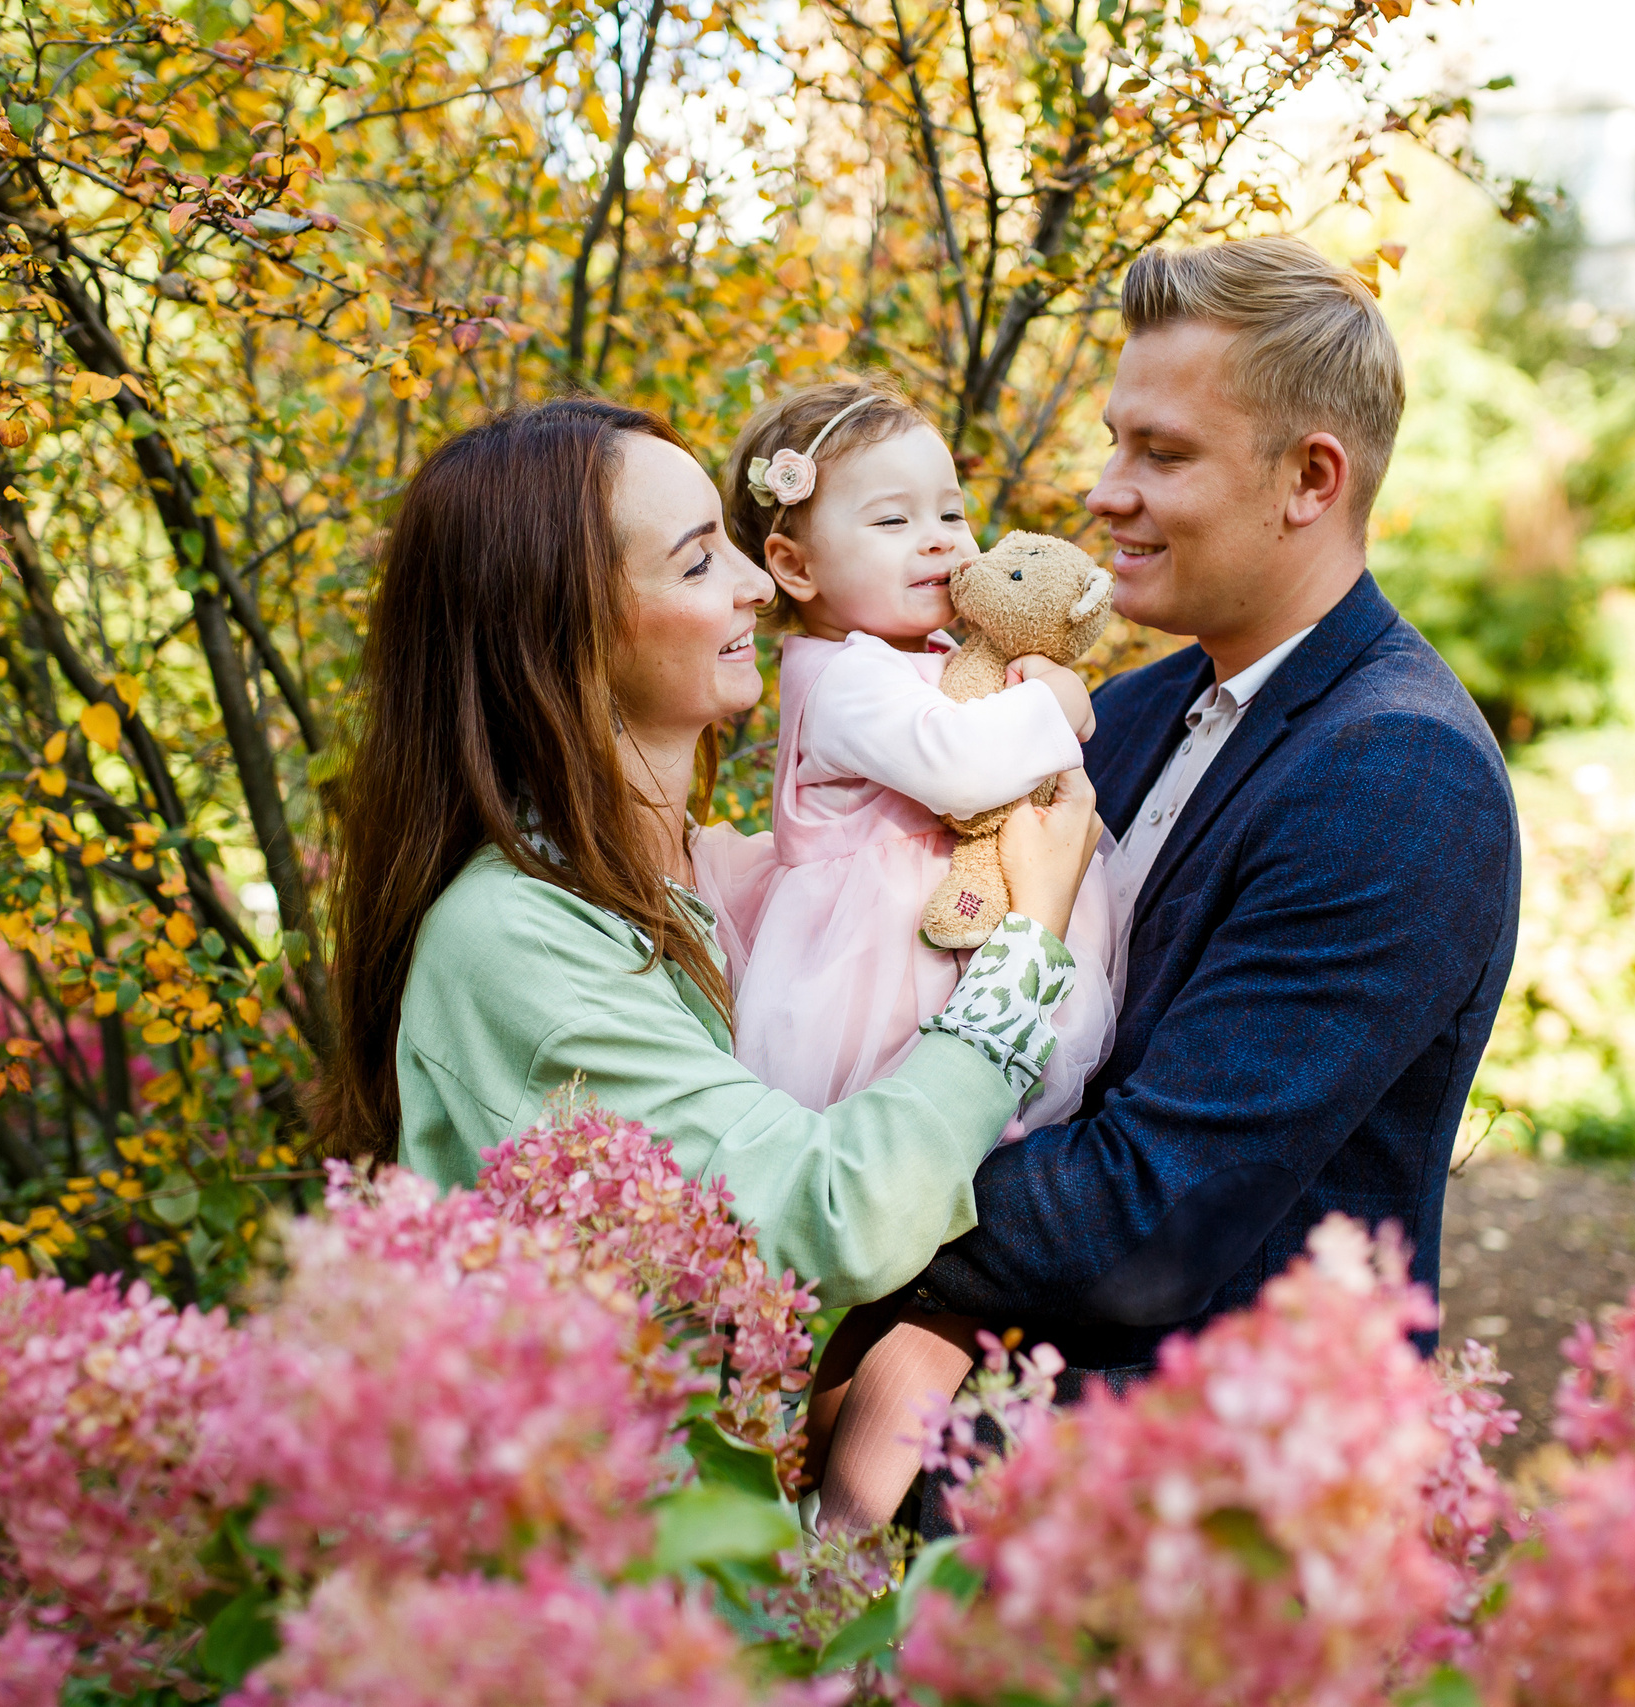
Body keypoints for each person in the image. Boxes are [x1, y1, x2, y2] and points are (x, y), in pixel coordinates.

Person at [308, 398, 1105, 1338]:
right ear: (562, 630)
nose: (759, 587)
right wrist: (1027, 945)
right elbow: (824, 1216)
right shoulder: (513, 936)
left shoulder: (718, 878)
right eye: (698, 561)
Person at [905, 238, 1524, 1407]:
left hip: (1222, 1486)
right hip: (1013, 1429)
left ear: (1310, 479)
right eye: (1113, 441)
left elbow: (1154, 1213)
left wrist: (833, 1219)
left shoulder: (1399, 773)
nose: (1105, 491)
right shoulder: (1128, 712)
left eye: (1164, 453)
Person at [698, 380, 1125, 1533]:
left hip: (958, 968)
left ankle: (862, 1491)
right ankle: (820, 1505)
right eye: (890, 520)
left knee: (942, 1270)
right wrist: (1062, 705)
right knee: (875, 1257)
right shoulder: (830, 678)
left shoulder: (937, 653)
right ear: (792, 565)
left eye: (948, 507)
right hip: (870, 1003)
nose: (939, 536)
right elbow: (952, 765)